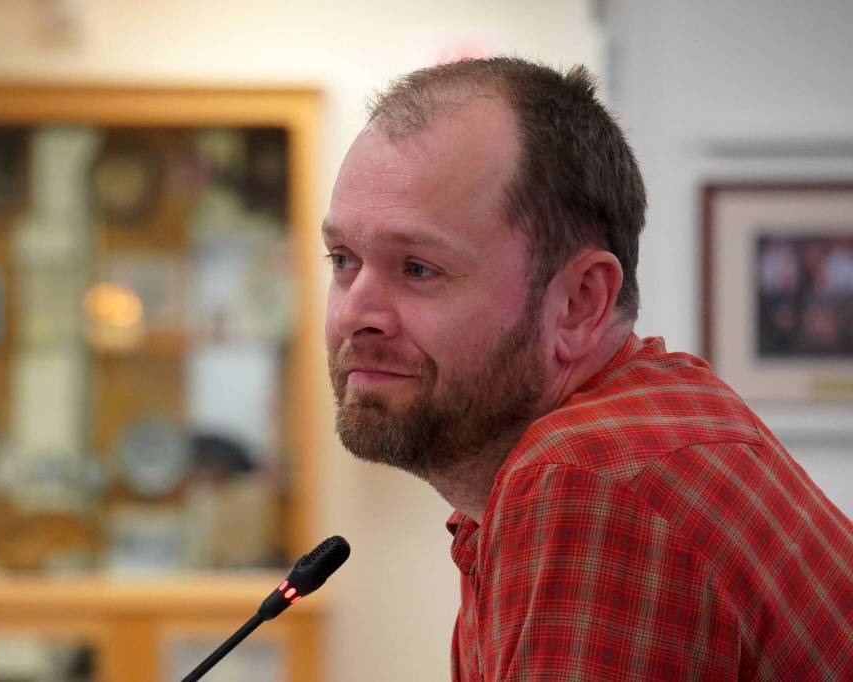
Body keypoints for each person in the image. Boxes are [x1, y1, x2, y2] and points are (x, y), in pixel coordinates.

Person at [322, 56, 853, 680]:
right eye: (342, 259)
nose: (356, 312)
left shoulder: (591, 479)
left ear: (579, 302)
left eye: (418, 268)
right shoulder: (625, 434)